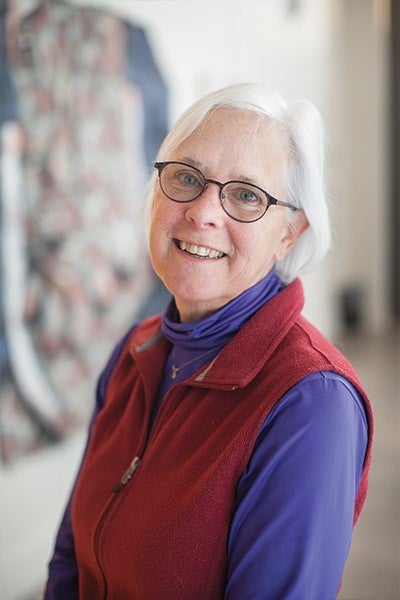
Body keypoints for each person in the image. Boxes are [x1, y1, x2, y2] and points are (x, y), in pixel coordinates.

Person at [44, 83, 373, 600]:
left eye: (246, 195)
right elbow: (71, 558)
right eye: (187, 177)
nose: (203, 213)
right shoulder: (136, 350)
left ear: (290, 233)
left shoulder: (312, 402)